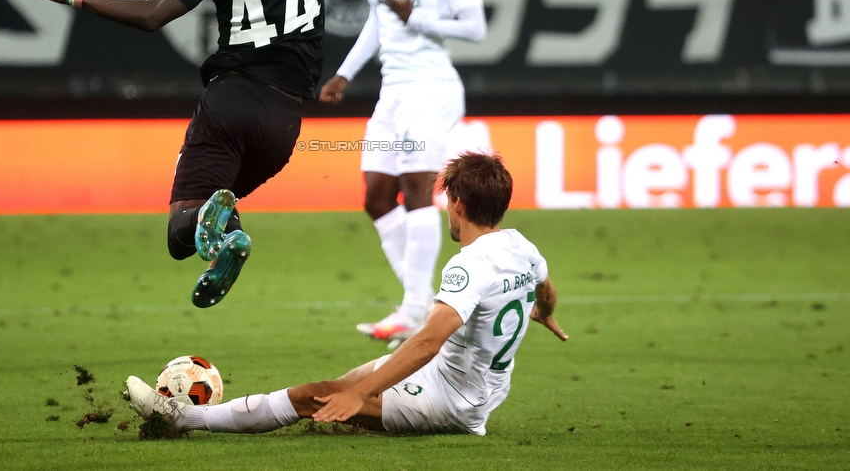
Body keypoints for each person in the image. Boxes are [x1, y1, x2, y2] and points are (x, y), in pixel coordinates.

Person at [15, 0, 479, 309]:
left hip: (230, 102)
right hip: (283, 124)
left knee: (182, 227)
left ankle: (220, 231)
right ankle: (223, 230)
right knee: (216, 207)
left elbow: (151, 15)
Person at [126, 152, 568, 436]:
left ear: (457, 204)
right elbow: (545, 288)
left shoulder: (467, 264)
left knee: (314, 396)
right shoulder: (520, 246)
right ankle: (362, 407)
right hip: (476, 384)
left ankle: (181, 418)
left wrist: (360, 396)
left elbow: (429, 341)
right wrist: (544, 313)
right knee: (343, 385)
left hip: (452, 401)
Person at [318, 0, 487, 348]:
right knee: (375, 195)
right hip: (393, 92)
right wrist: (345, 73)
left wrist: (419, 19)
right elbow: (377, 20)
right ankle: (421, 304)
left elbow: (476, 27)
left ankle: (414, 310)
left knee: (415, 188)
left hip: (432, 88)